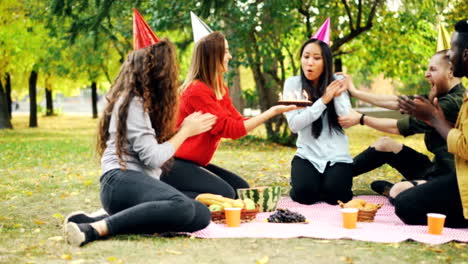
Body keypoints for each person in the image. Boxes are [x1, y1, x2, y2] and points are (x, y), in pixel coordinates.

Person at [64, 39, 218, 247]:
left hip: (137, 183)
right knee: (181, 205)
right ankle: (94, 229)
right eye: (171, 73)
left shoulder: (145, 105)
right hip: (119, 181)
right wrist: (186, 131)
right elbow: (152, 158)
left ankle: (102, 218)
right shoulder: (132, 103)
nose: (174, 79)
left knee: (200, 213)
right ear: (156, 74)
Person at [160, 32, 298, 199]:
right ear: (213, 56)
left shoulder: (218, 88)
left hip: (194, 164)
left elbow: (237, 122)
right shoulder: (196, 91)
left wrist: (273, 110)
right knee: (226, 194)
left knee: (241, 190)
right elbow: (231, 130)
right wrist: (271, 112)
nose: (230, 56)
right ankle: (167, 195)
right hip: (174, 165)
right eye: (225, 52)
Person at [338, 50, 464, 200]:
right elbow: (396, 102)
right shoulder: (441, 96)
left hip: (449, 179)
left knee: (398, 191)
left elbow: (397, 127)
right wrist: (354, 92)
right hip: (435, 168)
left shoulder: (451, 103)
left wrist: (361, 119)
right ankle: (336, 177)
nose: (426, 74)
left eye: (433, 69)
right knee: (384, 144)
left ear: (450, 72)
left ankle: (401, 190)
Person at [396, 19, 468, 228]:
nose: (449, 56)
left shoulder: (456, 97)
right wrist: (434, 117)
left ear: (465, 55)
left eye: (452, 50)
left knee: (405, 205)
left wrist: (435, 119)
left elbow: (465, 146)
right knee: (406, 197)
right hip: (458, 175)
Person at [283, 38, 351, 205]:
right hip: (307, 155)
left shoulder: (335, 82)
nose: (310, 63)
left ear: (325, 62)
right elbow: (294, 125)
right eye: (306, 57)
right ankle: (305, 181)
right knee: (305, 195)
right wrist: (324, 100)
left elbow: (346, 118)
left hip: (337, 156)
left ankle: (326, 182)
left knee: (336, 196)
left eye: (316, 58)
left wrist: (340, 93)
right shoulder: (293, 84)